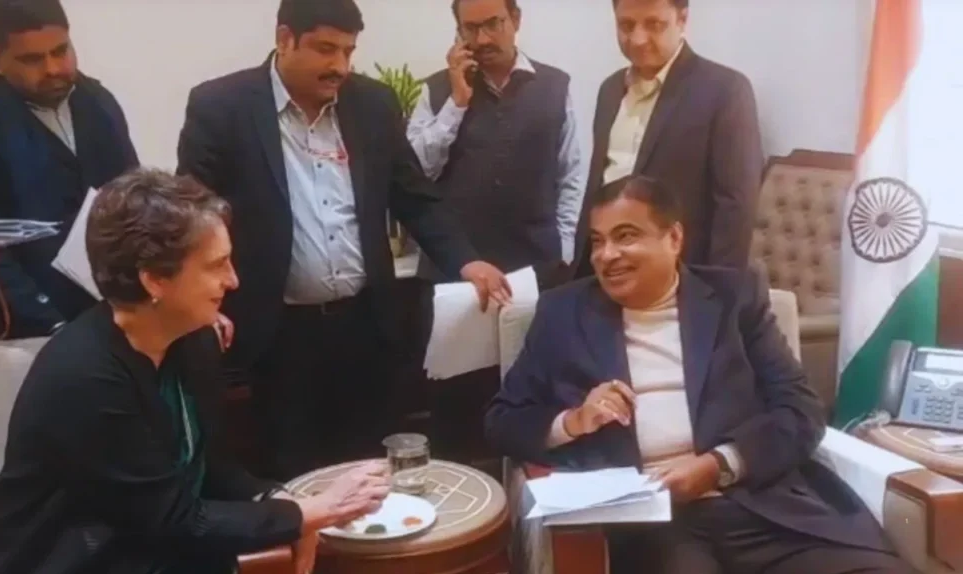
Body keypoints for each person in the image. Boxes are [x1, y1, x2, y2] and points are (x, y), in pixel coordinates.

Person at [487, 176, 915, 574]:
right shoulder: (562, 313)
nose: (606, 255)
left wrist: (718, 465)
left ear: (674, 238)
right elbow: (502, 421)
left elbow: (800, 410)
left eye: (626, 236)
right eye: (598, 241)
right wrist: (573, 421)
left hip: (761, 507)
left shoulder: (734, 299)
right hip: (655, 526)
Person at [0, 169, 391, 574]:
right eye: (217, 265)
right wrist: (312, 511)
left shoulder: (193, 341)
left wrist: (286, 502)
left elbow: (213, 472)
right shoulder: (85, 377)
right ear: (155, 280)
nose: (233, 280)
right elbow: (174, 520)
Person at [177, 0, 510, 481]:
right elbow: (194, 215)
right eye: (325, 49)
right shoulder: (223, 108)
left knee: (371, 473)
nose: (340, 66)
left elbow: (414, 195)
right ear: (285, 38)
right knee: (295, 474)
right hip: (279, 336)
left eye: (349, 51)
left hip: (365, 328)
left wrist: (466, 260)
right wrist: (201, 298)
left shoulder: (371, 104)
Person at [0, 0, 139, 338]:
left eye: (61, 51)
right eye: (31, 59)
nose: (53, 69)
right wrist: (52, 325)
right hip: (38, 327)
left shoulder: (97, 100)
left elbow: (134, 200)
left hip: (120, 313)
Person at [573, 0, 764, 278]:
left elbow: (735, 205)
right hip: (604, 269)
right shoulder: (610, 90)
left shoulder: (724, 90)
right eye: (626, 25)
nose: (638, 39)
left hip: (680, 276)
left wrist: (716, 289)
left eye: (654, 25)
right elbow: (599, 182)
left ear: (682, 20)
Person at [407, 0, 584, 289]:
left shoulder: (555, 86)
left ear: (516, 19)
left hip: (537, 268)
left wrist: (565, 248)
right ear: (458, 32)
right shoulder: (436, 89)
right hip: (454, 270)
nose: (482, 40)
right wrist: (456, 103)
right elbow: (415, 174)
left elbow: (570, 175)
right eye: (471, 28)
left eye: (493, 24)